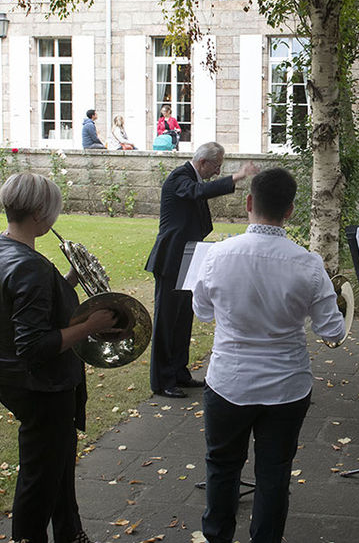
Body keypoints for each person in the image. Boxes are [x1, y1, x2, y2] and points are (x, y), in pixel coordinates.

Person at [192, 167, 345, 543]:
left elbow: (202, 310)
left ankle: (217, 536)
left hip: (229, 381)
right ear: (290, 210)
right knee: (274, 474)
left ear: (249, 203)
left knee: (221, 467)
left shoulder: (217, 255)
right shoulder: (308, 264)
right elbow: (333, 331)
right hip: (286, 387)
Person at [0, 173, 117, 543]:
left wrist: (69, 279)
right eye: (54, 210)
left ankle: (70, 533)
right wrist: (92, 324)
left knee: (57, 465)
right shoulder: (30, 266)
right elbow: (35, 345)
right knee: (39, 480)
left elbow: (28, 306)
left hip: (11, 375)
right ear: (40, 214)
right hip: (40, 385)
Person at [145, 142, 259, 398]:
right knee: (166, 322)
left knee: (184, 318)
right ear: (203, 162)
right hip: (171, 259)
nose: (217, 173)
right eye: (216, 167)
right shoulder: (179, 177)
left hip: (189, 257)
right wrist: (238, 176)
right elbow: (198, 191)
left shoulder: (190, 178)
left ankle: (179, 373)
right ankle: (162, 381)